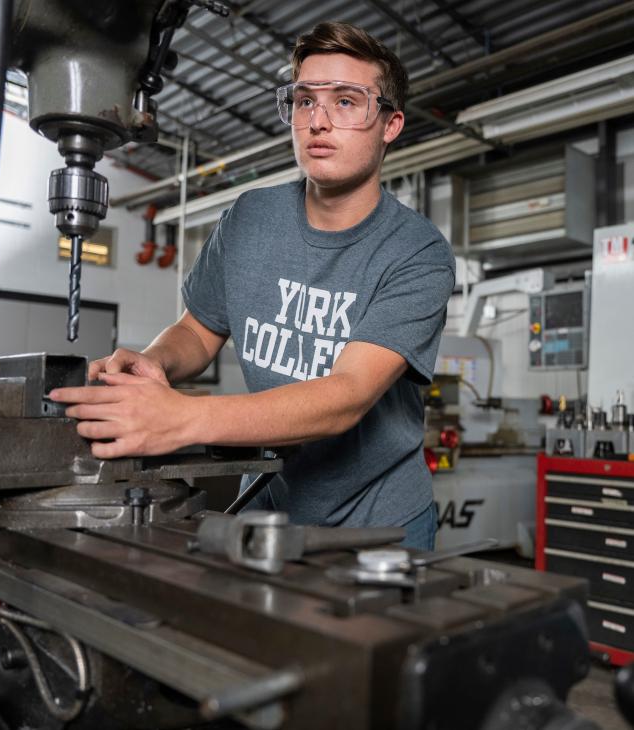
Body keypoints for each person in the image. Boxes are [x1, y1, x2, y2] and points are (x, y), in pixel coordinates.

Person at [50, 21, 455, 550]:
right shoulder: (249, 218)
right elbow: (198, 330)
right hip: (266, 507)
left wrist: (184, 418)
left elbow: (346, 397)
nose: (318, 121)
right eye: (305, 101)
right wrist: (156, 362)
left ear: (390, 123)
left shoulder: (416, 252)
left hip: (376, 524)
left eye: (347, 102)